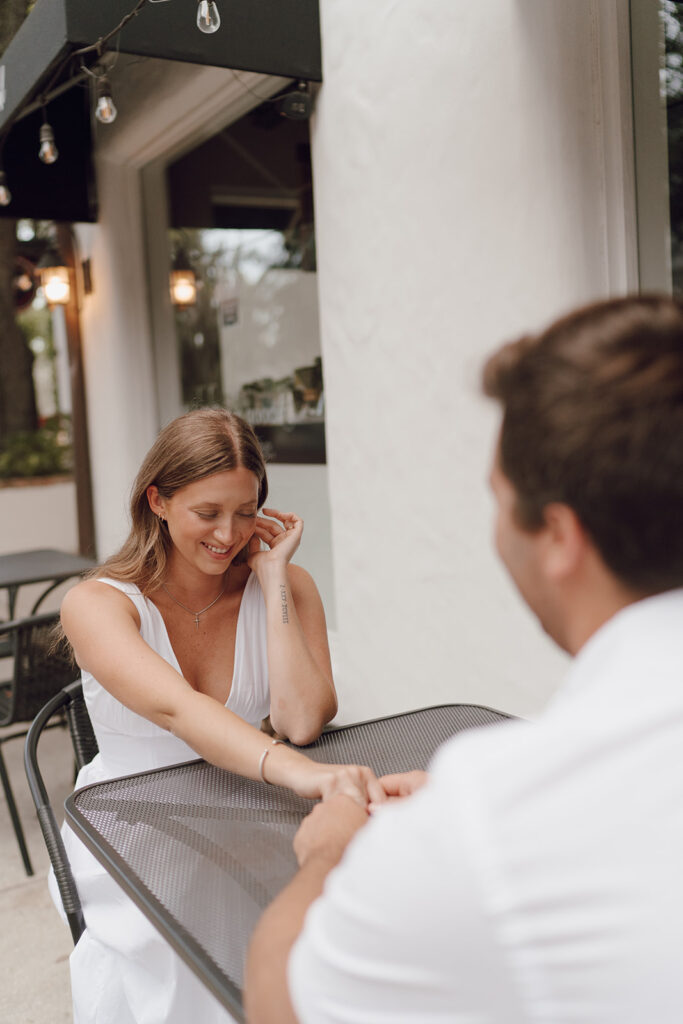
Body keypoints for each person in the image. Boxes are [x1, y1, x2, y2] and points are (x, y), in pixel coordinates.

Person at [245, 294, 683, 1024]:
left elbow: (276, 998)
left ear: (559, 537)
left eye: (499, 502)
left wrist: (330, 851)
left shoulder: (497, 816)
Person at [52, 407, 383, 1024]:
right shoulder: (96, 604)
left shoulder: (285, 585)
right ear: (158, 501)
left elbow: (303, 720)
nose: (228, 534)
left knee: (343, 906)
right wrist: (301, 774)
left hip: (239, 804)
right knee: (192, 942)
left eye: (244, 510)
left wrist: (274, 577)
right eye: (207, 513)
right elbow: (180, 711)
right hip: (130, 822)